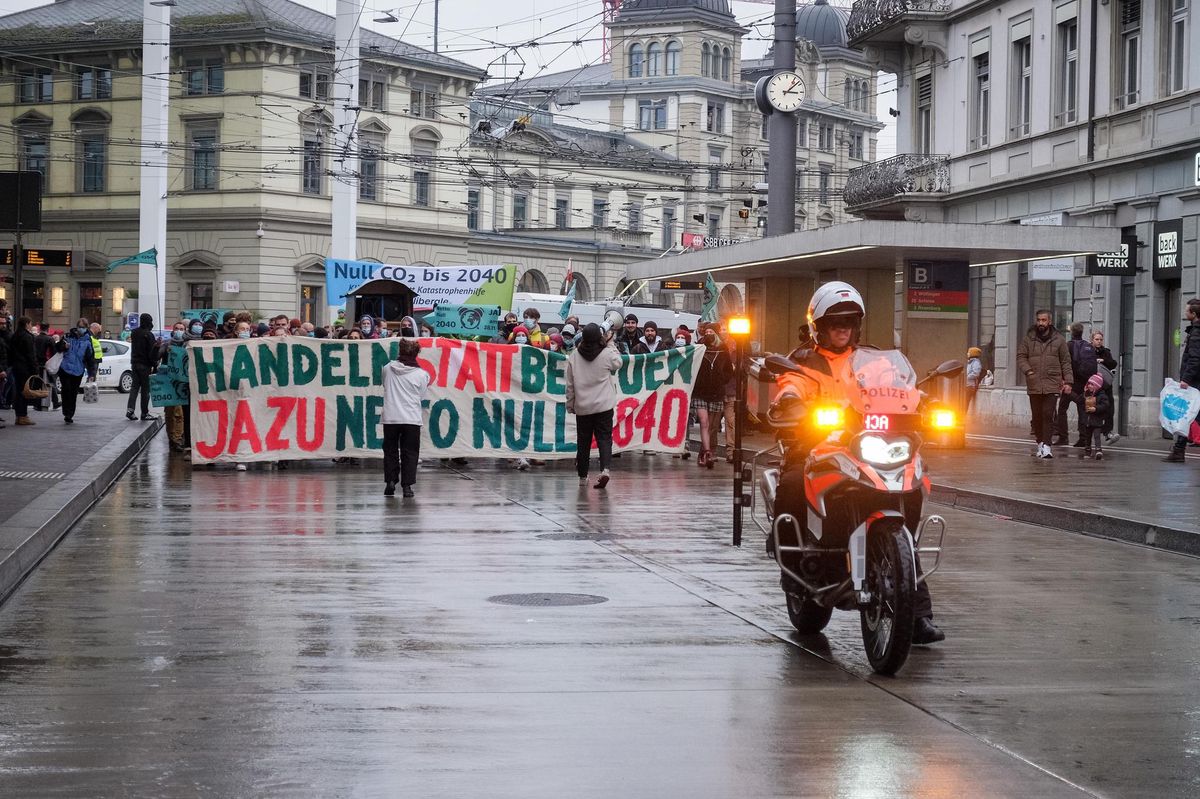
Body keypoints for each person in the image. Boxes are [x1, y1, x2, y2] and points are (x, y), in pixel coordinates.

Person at [772, 281, 945, 644]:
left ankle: (916, 614)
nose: (842, 328)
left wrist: (923, 400)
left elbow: (899, 387)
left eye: (849, 321)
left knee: (912, 482)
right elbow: (790, 384)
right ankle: (793, 566)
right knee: (791, 482)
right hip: (816, 444)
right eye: (835, 322)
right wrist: (789, 400)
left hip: (869, 444)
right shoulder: (803, 361)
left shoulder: (875, 360)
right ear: (819, 325)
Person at [566, 323, 621, 489]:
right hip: (604, 405)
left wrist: (570, 404)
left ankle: (583, 476)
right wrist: (610, 343)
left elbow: (570, 385)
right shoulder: (606, 353)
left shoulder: (574, 356)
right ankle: (605, 469)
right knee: (604, 439)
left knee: (583, 442)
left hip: (583, 406)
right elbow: (618, 362)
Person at [1016, 310, 1071, 459]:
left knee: (1048, 414)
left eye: (1044, 320)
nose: (1041, 323)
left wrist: (1068, 381)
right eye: (1039, 320)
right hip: (1034, 383)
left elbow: (1066, 361)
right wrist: (1028, 371)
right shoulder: (1029, 338)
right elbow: (1021, 356)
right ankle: (1040, 442)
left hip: (1052, 382)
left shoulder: (1059, 340)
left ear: (1049, 321)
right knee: (1037, 416)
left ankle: (1047, 446)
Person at [381, 337, 430, 497]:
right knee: (410, 452)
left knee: (390, 450)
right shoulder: (422, 374)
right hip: (411, 418)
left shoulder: (387, 368)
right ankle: (407, 486)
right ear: (416, 354)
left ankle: (390, 481)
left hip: (391, 416)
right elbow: (422, 395)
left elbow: (384, 384)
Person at [691, 324, 733, 468]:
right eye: (706, 331)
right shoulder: (699, 347)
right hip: (700, 392)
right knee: (704, 422)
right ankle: (707, 452)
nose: (709, 334)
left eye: (711, 331)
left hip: (716, 392)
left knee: (712, 426)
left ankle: (703, 451)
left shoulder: (723, 349)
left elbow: (728, 370)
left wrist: (721, 379)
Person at [1165, 299, 1200, 463]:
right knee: (1187, 415)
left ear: (1194, 314)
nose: (1185, 313)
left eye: (1187, 311)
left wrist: (1186, 379)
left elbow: (1195, 358)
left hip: (1195, 381)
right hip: (1195, 379)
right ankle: (1178, 450)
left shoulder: (1196, 333)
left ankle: (1179, 451)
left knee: (1188, 414)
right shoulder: (1194, 330)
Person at [1054, 322, 1096, 447]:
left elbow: (1064, 363)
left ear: (1071, 332)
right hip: (1085, 383)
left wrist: (1063, 380)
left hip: (1071, 383)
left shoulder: (1068, 345)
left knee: (1062, 409)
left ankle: (1063, 437)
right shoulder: (1088, 346)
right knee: (1082, 410)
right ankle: (1084, 438)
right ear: (1082, 332)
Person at [56, 319, 97, 424]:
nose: (81, 329)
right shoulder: (68, 336)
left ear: (86, 328)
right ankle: (66, 412)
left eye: (83, 327)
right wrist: (63, 346)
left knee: (73, 392)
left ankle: (70, 414)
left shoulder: (88, 341)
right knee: (66, 390)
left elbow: (90, 359)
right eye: (80, 327)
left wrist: (92, 374)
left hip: (78, 370)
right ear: (77, 327)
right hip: (65, 368)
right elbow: (57, 348)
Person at [127, 313, 157, 422]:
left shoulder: (134, 332)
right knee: (145, 390)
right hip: (145, 365)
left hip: (135, 364)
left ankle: (130, 410)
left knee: (134, 388)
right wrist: (154, 364)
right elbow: (152, 352)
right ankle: (144, 413)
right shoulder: (149, 335)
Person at [9, 316, 39, 426]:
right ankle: (23, 416)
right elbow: (31, 354)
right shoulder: (28, 337)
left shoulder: (14, 335)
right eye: (30, 324)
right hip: (25, 368)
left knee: (18, 391)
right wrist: (35, 369)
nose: (31, 326)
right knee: (25, 392)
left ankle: (19, 415)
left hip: (16, 367)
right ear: (26, 324)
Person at [1091, 330, 1119, 443]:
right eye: (1097, 339)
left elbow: (1113, 363)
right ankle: (1088, 436)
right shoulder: (1089, 351)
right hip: (1093, 386)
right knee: (1092, 409)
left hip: (1106, 386)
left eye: (1101, 339)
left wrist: (1103, 360)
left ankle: (1108, 433)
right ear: (1092, 340)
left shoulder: (1106, 352)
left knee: (1109, 408)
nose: (1099, 341)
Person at [1081, 373, 1110, 460]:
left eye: (1092, 384)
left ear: (1097, 386)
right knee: (1087, 437)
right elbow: (1079, 400)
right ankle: (1087, 451)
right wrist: (1071, 394)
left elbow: (1105, 405)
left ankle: (1098, 450)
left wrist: (1096, 409)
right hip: (1088, 420)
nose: (1089, 386)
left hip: (1097, 420)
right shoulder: (1086, 394)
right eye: (1089, 384)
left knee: (1097, 436)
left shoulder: (1102, 396)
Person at [964, 347, 983, 415]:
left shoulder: (976, 362)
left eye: (969, 352)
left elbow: (976, 373)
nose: (967, 353)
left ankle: (964, 416)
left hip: (971, 386)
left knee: (965, 402)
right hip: (968, 385)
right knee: (964, 401)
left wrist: (966, 377)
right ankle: (963, 415)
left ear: (972, 354)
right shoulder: (970, 362)